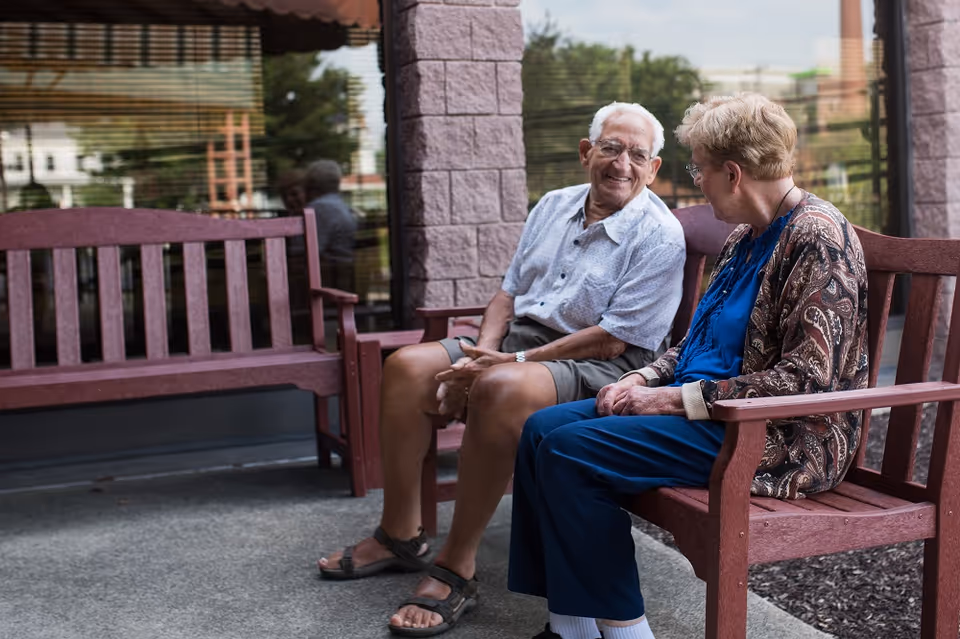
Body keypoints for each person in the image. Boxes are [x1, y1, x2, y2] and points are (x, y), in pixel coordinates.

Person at [507, 92, 869, 639]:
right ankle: (572, 628)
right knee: (540, 430)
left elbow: (808, 378)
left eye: (698, 168)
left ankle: (628, 633)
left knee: (570, 452)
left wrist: (674, 398)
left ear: (732, 173)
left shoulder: (818, 238)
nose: (694, 180)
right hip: (703, 414)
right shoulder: (743, 239)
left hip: (772, 435)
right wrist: (645, 376)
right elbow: (695, 342)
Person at [317, 102, 687, 636]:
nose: (621, 164)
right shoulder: (554, 205)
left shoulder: (659, 234)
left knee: (499, 387)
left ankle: (456, 565)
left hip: (604, 365)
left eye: (638, 154)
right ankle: (401, 533)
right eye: (610, 148)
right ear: (587, 152)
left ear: (653, 169)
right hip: (517, 347)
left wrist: (504, 364)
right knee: (405, 367)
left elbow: (612, 341)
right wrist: (476, 356)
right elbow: (508, 294)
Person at [303, 159, 358, 292]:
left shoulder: (318, 208)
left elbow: (309, 250)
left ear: (311, 184)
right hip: (346, 274)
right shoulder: (341, 205)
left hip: (330, 278)